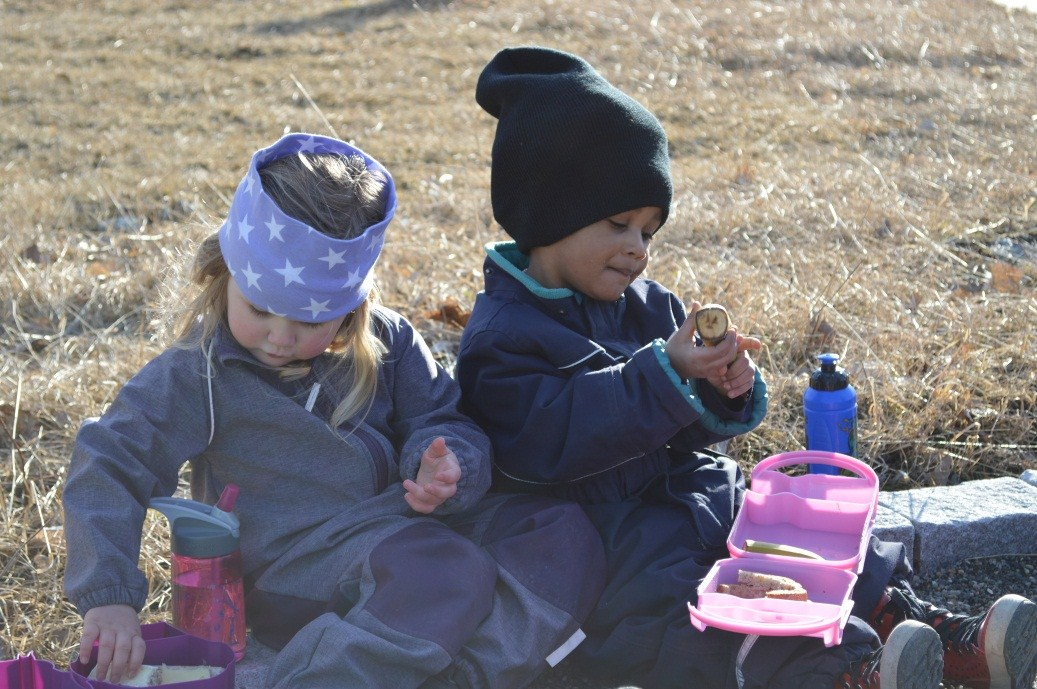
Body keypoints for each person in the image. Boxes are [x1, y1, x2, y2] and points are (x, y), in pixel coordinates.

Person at [455, 46, 1037, 689]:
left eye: (650, 231)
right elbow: (550, 442)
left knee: (793, 521)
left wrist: (721, 389)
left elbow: (686, 424)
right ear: (547, 214)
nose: (637, 250)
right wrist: (663, 374)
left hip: (687, 491)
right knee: (694, 604)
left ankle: (916, 624)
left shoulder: (644, 304)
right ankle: (840, 673)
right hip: (603, 530)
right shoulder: (501, 338)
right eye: (619, 223)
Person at [62, 132, 605, 689]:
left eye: (309, 322)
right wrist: (107, 597)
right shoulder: (196, 374)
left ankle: (459, 675)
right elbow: (110, 460)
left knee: (559, 530)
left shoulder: (388, 341)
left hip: (403, 527)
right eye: (261, 309)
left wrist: (447, 467)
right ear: (226, 272)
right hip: (294, 567)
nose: (279, 337)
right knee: (444, 569)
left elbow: (442, 419)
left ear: (351, 306)